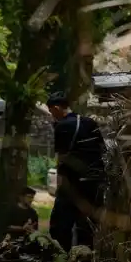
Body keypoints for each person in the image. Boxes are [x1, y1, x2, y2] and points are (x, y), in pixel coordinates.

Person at [46, 94, 106, 253]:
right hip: (94, 180)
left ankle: (62, 254)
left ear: (57, 108)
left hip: (73, 181)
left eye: (51, 111)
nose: (52, 115)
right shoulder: (90, 122)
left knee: (59, 223)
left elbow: (62, 157)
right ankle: (86, 255)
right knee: (87, 222)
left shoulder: (62, 126)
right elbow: (102, 149)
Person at [0, 187, 65, 262]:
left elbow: (35, 228)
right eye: (28, 197)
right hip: (11, 239)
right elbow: (5, 226)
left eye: (32, 197)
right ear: (21, 197)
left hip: (27, 241)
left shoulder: (32, 213)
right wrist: (22, 228)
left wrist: (31, 230)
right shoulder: (11, 210)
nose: (31, 199)